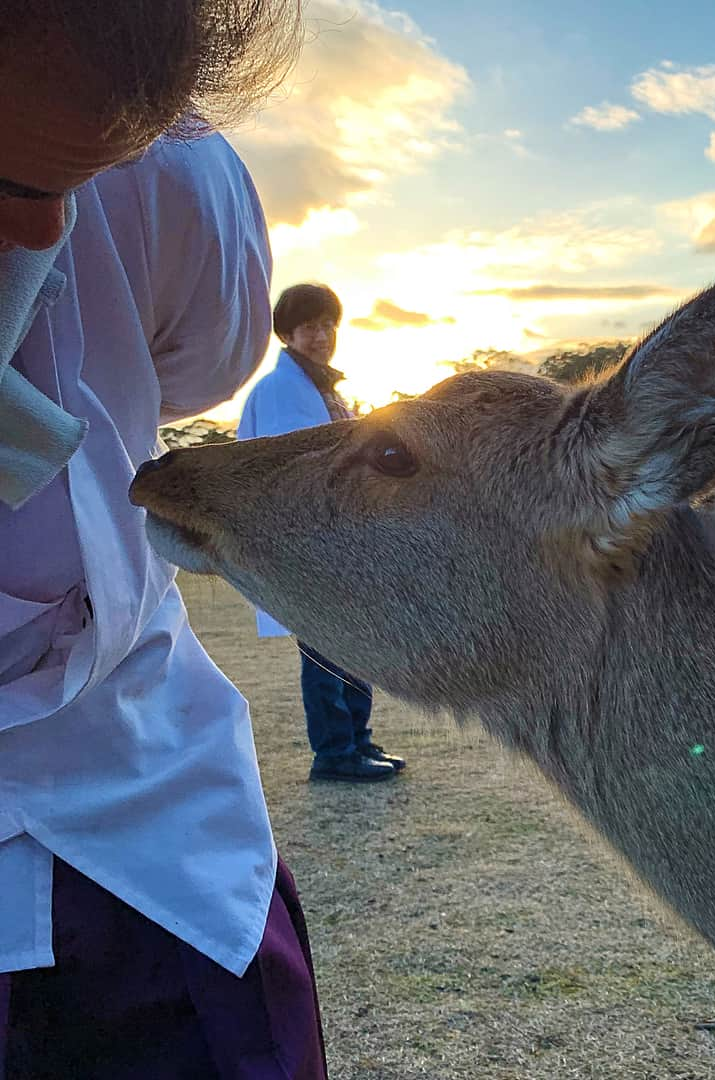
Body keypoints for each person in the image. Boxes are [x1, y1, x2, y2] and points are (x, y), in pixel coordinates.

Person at [0, 3, 330, 1076]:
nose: (51, 235)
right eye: (12, 181)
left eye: (86, 181)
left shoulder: (179, 167)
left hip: (153, 824)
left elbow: (188, 371)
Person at [237, 284, 406, 784]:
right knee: (325, 651)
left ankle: (357, 739)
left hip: (342, 545)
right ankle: (334, 751)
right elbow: (295, 475)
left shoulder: (326, 388)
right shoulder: (279, 391)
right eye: (310, 326)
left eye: (328, 324)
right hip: (310, 547)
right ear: (287, 334)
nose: (322, 335)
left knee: (353, 646)